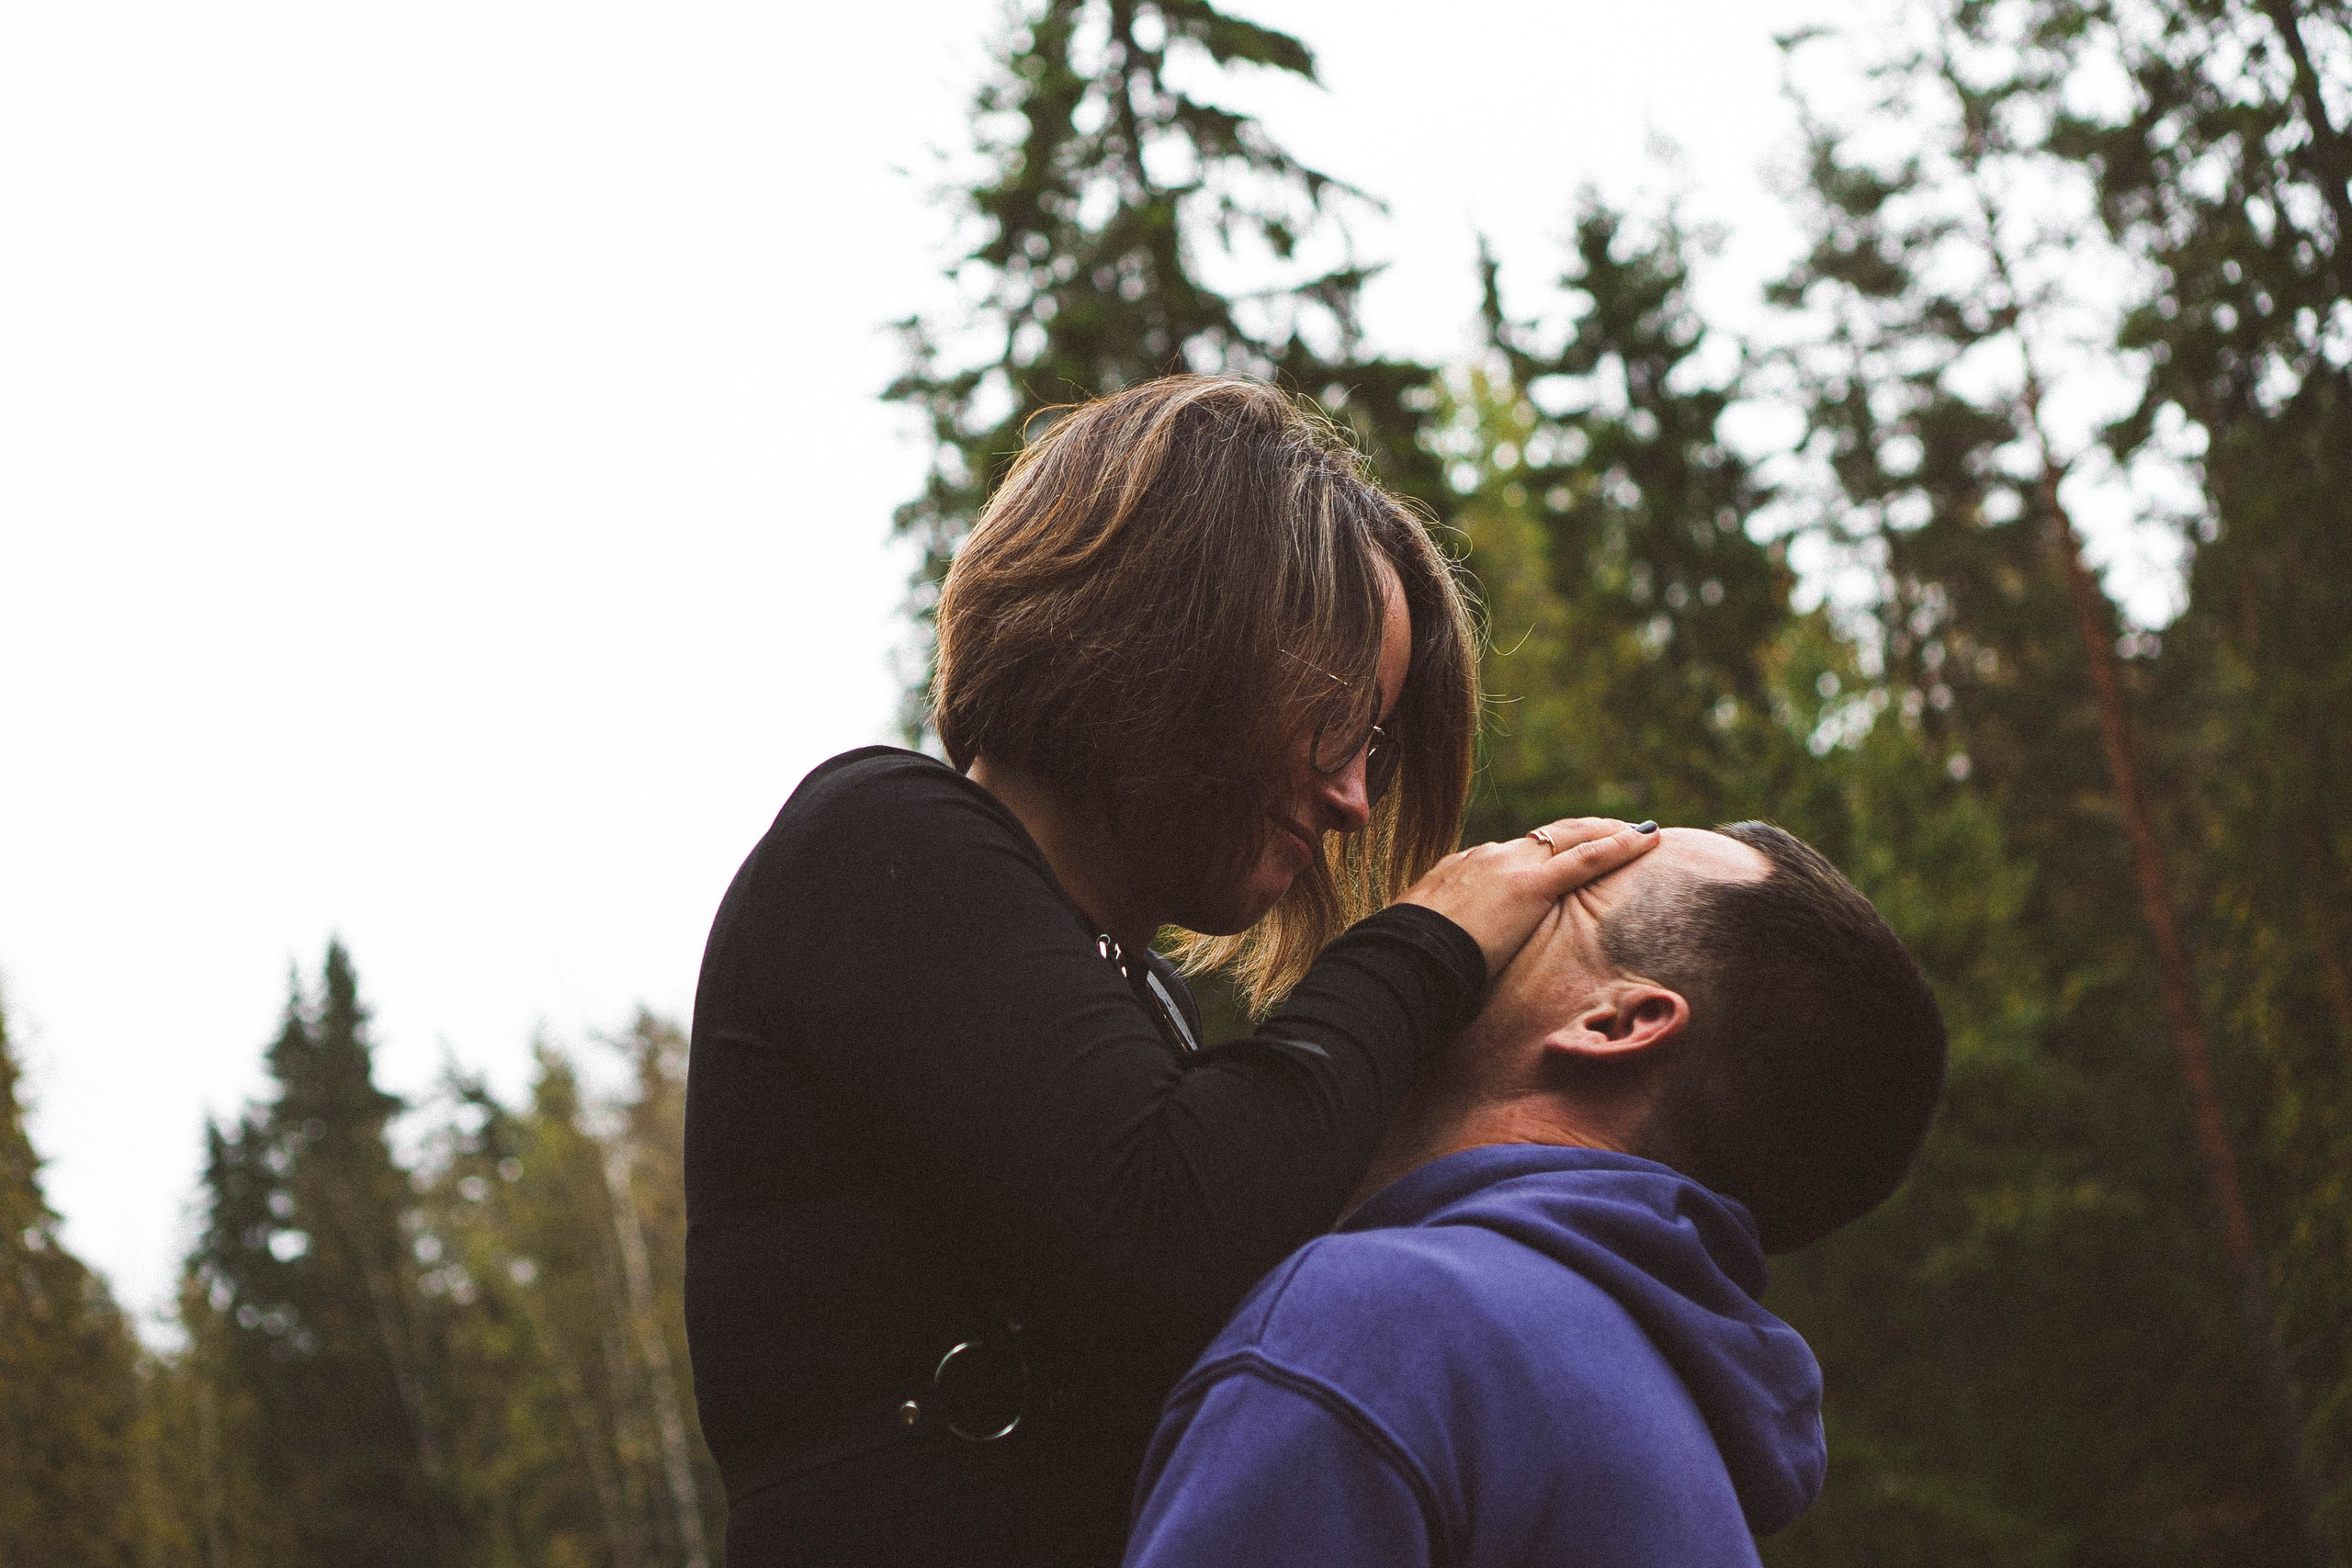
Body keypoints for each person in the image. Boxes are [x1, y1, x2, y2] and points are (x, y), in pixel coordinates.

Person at [683, 375, 1663, 1566]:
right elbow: (1167, 1235)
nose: (1356, 800)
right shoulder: (880, 838)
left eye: (1376, 745)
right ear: (1177, 643)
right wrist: (1430, 937)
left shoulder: (1144, 998)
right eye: (1335, 720)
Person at [1123, 822, 1950, 1568]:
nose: (1491, 870)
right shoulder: (1670, 1432)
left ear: (1615, 1022)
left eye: (1567, 876)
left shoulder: (1385, 1328)